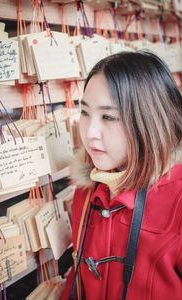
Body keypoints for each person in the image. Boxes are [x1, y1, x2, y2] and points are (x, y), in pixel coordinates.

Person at [61, 51, 182, 300]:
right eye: (84, 113)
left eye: (108, 117)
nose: (90, 133)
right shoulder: (86, 192)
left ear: (149, 121)